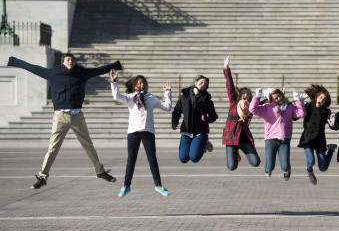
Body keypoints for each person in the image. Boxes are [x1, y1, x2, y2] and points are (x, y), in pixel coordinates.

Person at [5, 54, 121, 189]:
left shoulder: (81, 72)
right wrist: (14, 61)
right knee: (53, 148)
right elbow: (33, 68)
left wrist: (116, 65)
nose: (70, 61)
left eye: (72, 60)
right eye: (68, 60)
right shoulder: (53, 73)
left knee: (88, 145)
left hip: (77, 116)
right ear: (63, 62)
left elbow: (99, 70)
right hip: (60, 116)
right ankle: (42, 177)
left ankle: (100, 172)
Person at [110, 69, 172, 197]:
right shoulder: (130, 98)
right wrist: (114, 82)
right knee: (131, 159)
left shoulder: (151, 98)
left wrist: (167, 93)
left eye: (143, 82)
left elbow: (167, 107)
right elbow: (116, 96)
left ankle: (159, 185)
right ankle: (126, 186)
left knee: (152, 159)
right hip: (133, 131)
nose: (142, 85)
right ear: (134, 86)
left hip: (148, 131)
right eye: (139, 83)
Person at [250, 87, 306, 180]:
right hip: (271, 139)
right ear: (272, 100)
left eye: (279, 96)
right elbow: (253, 110)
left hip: (284, 138)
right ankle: (267, 170)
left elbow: (301, 114)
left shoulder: (289, 106)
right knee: (270, 166)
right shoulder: (267, 107)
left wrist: (298, 101)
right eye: (275, 98)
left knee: (285, 165)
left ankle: (287, 171)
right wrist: (257, 97)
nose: (278, 98)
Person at [222, 56, 260, 171]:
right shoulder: (234, 102)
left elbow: (265, 103)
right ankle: (235, 153)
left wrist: (277, 97)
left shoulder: (252, 106)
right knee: (231, 167)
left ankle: (240, 150)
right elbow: (230, 86)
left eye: (247, 93)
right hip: (232, 136)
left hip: (244, 138)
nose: (245, 95)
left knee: (256, 162)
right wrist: (226, 68)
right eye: (243, 93)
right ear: (240, 95)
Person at [172, 75, 218, 164]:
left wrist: (206, 119)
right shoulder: (184, 97)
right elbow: (176, 111)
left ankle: (204, 142)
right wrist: (174, 123)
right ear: (195, 82)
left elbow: (214, 116)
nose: (203, 84)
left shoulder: (207, 100)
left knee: (194, 158)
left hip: (200, 132)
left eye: (205, 84)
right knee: (183, 159)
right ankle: (200, 144)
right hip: (186, 131)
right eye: (202, 82)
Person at [297, 84, 336, 185]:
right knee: (311, 161)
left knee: (323, 168)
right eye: (321, 98)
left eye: (324, 100)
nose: (322, 100)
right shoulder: (308, 106)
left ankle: (331, 149)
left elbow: (332, 125)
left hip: (319, 140)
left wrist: (334, 122)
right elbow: (297, 115)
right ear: (316, 97)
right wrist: (298, 102)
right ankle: (309, 172)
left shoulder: (326, 112)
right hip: (308, 138)